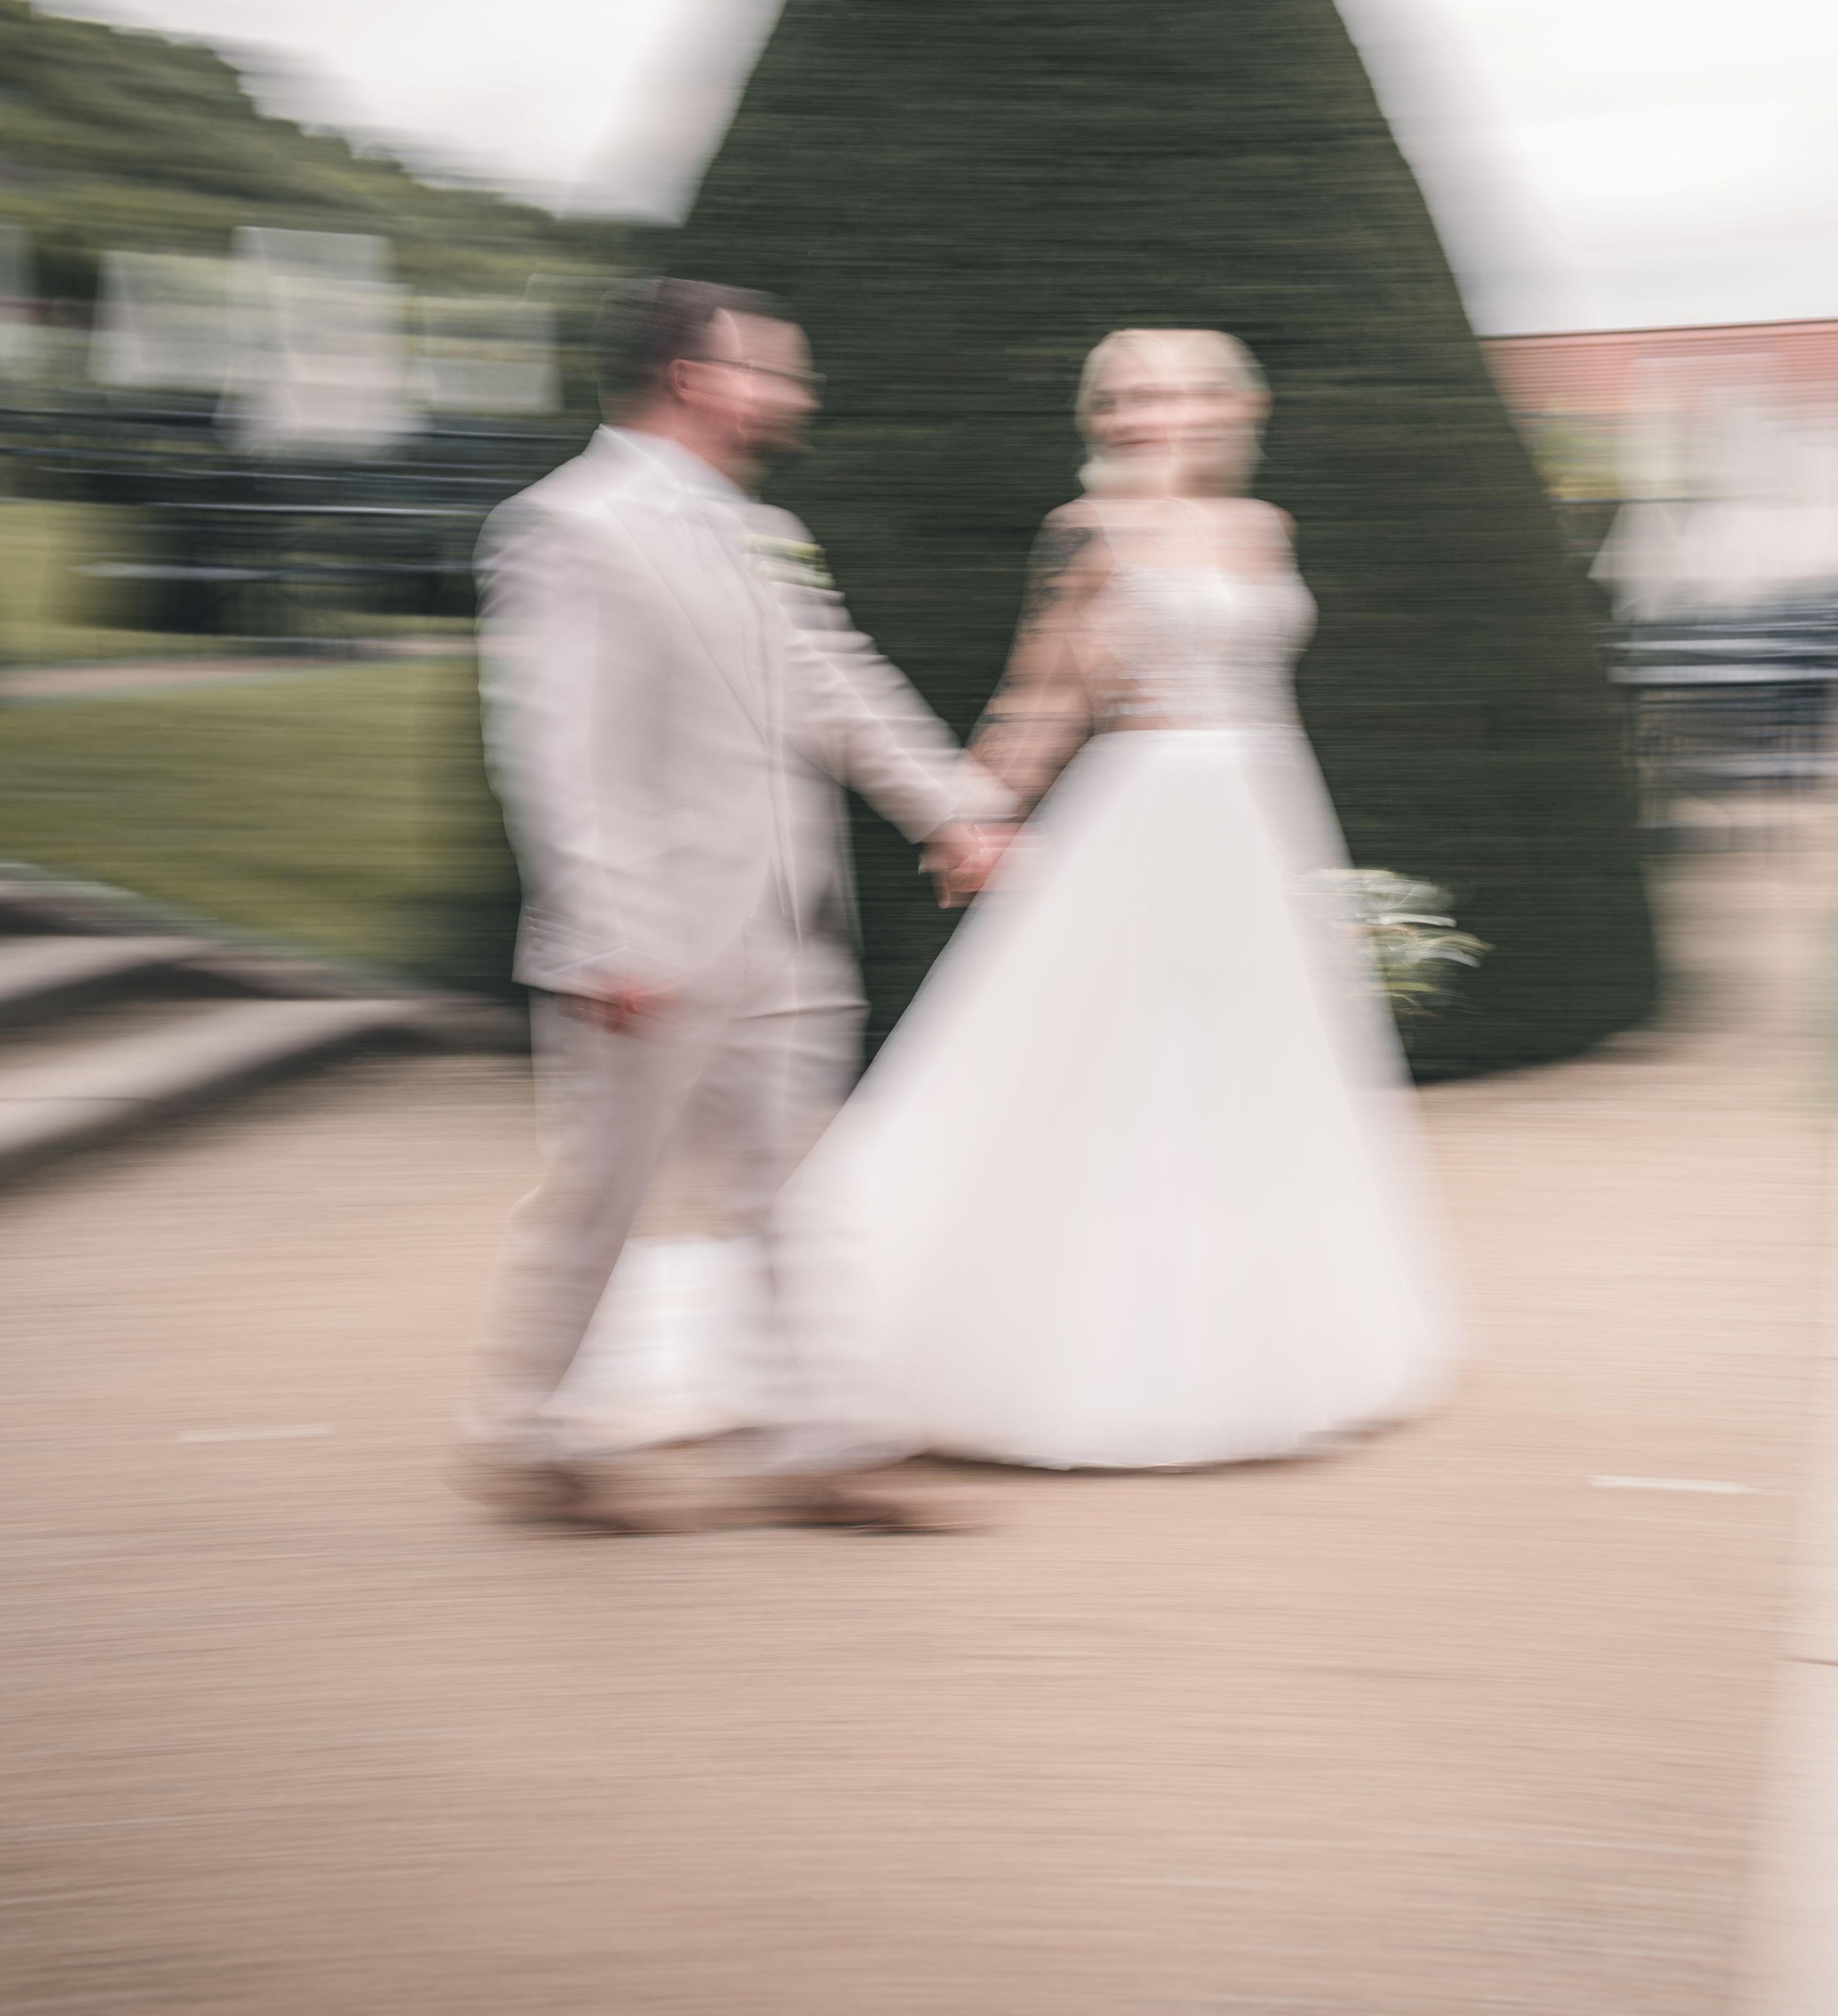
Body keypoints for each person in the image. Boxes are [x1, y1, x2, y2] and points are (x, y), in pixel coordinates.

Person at [791, 328, 1462, 1469]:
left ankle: (1255, 1334)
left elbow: (1268, 690)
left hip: (1260, 814)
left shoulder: (1264, 531)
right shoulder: (1086, 534)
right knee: (1112, 1063)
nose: (1161, 416)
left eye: (1188, 395)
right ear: (1102, 419)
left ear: (1234, 410)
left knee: (1254, 1073)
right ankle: (1061, 1346)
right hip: (1144, 814)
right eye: (1133, 399)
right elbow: (1043, 690)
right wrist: (976, 813)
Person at [468, 279, 1010, 1534]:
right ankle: (526, 1430)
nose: (797, 393)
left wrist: (957, 809)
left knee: (785, 1185)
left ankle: (816, 1442)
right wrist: (606, 930)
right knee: (602, 1191)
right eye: (775, 368)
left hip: (786, 924)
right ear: (697, 377)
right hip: (646, 940)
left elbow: (837, 681)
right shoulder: (570, 524)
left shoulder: (757, 526)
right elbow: (558, 746)